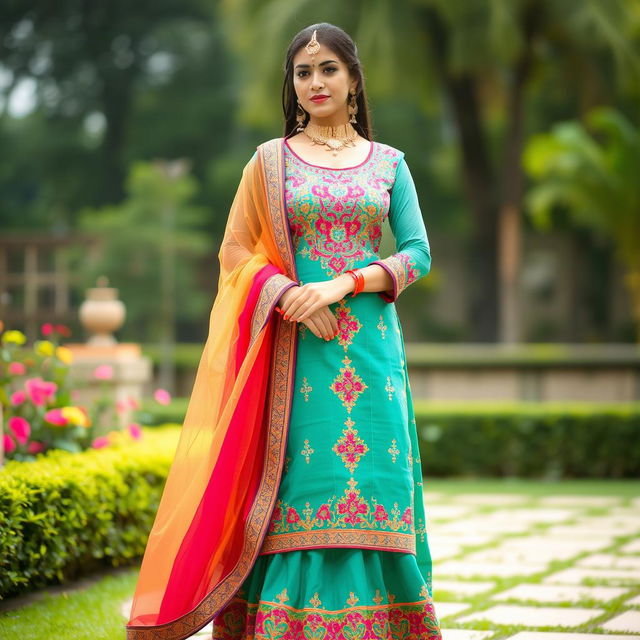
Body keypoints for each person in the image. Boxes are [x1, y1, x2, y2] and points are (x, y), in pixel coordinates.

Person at [126, 22, 442, 640]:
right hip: (294, 354)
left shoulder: (388, 163)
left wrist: (343, 284)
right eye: (303, 71)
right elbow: (235, 250)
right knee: (304, 481)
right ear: (292, 85)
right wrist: (290, 295)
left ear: (353, 79)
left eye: (328, 69)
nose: (316, 81)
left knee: (373, 480)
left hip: (371, 351)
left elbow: (418, 253)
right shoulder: (267, 162)